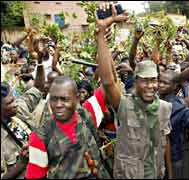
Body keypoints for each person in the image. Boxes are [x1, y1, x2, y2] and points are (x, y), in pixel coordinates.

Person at [94, 4, 173, 178]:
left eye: (153, 80)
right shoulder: (124, 105)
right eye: (144, 81)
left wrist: (170, 174)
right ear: (135, 82)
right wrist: (101, 36)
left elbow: (165, 142)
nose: (150, 86)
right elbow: (108, 81)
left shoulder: (165, 108)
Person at [25, 76, 111, 179]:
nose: (58, 105)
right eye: (54, 99)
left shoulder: (84, 116)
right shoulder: (40, 136)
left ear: (77, 98)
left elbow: (96, 149)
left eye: (64, 99)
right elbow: (35, 176)